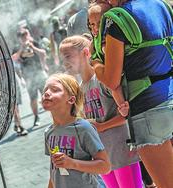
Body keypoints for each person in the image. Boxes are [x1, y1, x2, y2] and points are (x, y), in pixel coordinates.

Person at [92, 0, 173, 187]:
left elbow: (111, 80)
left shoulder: (115, 18)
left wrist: (95, 63)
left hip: (147, 111)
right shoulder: (163, 5)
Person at [60, 35, 142, 188]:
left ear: (86, 53)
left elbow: (127, 114)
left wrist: (102, 126)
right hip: (102, 159)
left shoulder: (103, 79)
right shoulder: (79, 89)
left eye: (68, 56)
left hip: (121, 152)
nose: (65, 62)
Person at [43, 73, 110, 188]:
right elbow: (54, 170)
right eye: (45, 89)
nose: (46, 93)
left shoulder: (83, 128)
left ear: (71, 99)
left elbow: (105, 166)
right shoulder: (49, 132)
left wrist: (72, 163)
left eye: (55, 90)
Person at [88, 1, 129, 117]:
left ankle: (122, 106)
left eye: (99, 23)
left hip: (114, 74)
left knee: (115, 87)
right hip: (109, 75)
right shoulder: (95, 40)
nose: (95, 28)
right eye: (92, 24)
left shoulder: (107, 39)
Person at [15, 28, 48, 127]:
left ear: (28, 34)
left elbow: (43, 53)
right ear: (19, 38)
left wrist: (33, 47)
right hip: (28, 76)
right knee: (33, 98)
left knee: (47, 93)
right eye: (22, 36)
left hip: (39, 72)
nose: (25, 37)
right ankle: (36, 117)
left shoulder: (35, 43)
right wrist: (21, 48)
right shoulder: (17, 47)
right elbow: (14, 59)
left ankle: (55, 113)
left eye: (26, 34)